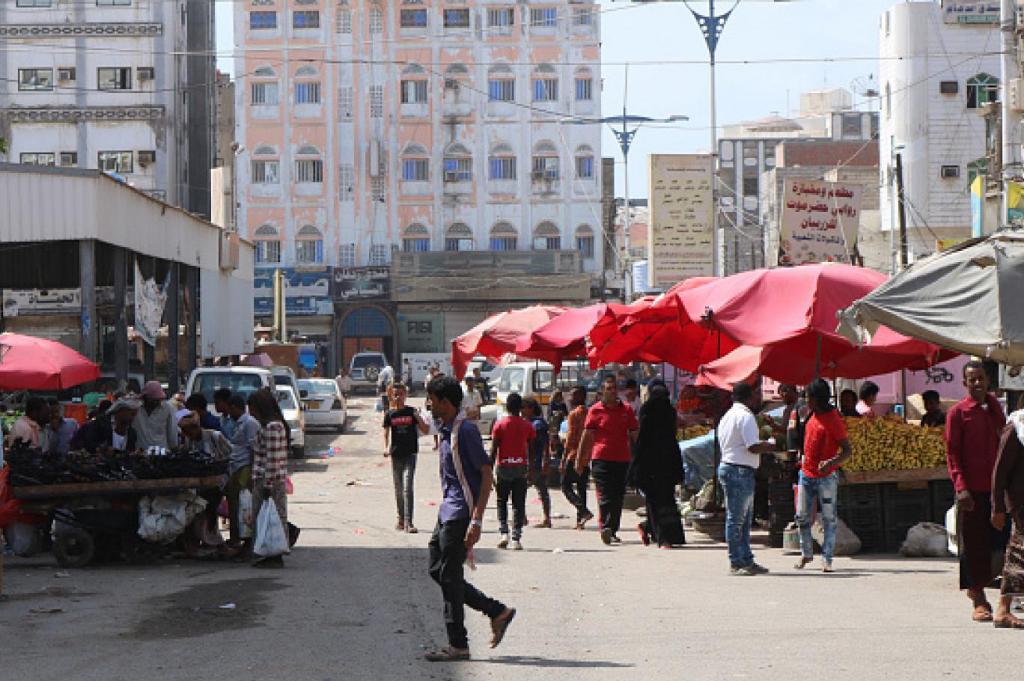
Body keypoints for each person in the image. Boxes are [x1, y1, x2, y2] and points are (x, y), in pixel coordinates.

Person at [424, 375, 515, 662]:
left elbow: (487, 474)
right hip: (447, 511)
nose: (428, 404)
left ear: (446, 403)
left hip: (461, 514)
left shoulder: (465, 431)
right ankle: (495, 610)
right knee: (437, 570)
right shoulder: (446, 426)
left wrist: (476, 521)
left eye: (431, 400)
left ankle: (459, 644)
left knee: (450, 577)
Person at [946, 360, 1008, 622]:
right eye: (973, 379)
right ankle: (978, 597)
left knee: (1002, 544)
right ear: (965, 383)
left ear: (988, 380)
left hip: (997, 491)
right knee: (973, 546)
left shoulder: (995, 409)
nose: (978, 383)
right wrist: (961, 487)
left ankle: (1007, 597)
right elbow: (952, 453)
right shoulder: (958, 413)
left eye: (981, 378)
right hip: (971, 492)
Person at [716, 382, 776, 575]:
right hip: (739, 471)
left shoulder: (728, 416)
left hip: (730, 467)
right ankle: (736, 561)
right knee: (737, 519)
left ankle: (746, 559)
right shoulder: (745, 416)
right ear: (749, 397)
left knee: (741, 519)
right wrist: (769, 445)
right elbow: (752, 446)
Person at [794, 379, 852, 573]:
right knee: (802, 516)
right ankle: (806, 553)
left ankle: (827, 558)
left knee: (828, 518)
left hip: (826, 476)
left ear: (816, 399)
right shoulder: (810, 414)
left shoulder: (833, 419)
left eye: (808, 397)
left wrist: (831, 462)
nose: (805, 400)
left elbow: (846, 450)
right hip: (806, 473)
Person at [577, 374, 639, 545]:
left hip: (622, 459)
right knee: (604, 494)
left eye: (614, 389)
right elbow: (587, 435)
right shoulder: (595, 410)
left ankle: (612, 529)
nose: (612, 392)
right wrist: (580, 459)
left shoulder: (626, 410)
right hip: (601, 458)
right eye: (608, 389)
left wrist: (640, 455)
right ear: (602, 392)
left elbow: (635, 434)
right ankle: (605, 526)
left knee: (618, 496)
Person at [630, 381, 685, 548]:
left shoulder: (660, 410)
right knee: (658, 500)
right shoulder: (658, 410)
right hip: (654, 462)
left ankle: (651, 529)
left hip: (661, 461)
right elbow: (644, 437)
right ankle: (662, 537)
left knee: (663, 500)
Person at [247, 389, 290, 568]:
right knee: (267, 517)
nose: (250, 412)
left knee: (270, 517)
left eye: (252, 408)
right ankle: (268, 552)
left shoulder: (272, 427)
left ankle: (273, 553)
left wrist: (267, 486)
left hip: (269, 480)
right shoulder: (271, 426)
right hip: (268, 479)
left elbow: (272, 459)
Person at [991, 411, 1024, 629]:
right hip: (1022, 502)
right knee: (1018, 553)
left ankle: (1004, 609)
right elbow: (999, 471)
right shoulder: (1017, 426)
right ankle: (1002, 610)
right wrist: (998, 508)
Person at [383, 382, 430, 534]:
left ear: (405, 395)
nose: (398, 397)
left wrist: (418, 416)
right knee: (398, 488)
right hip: (396, 454)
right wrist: (386, 448)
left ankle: (409, 522)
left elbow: (425, 429)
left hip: (410, 453)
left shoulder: (411, 412)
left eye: (401, 394)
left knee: (407, 487)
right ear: (391, 395)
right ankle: (401, 518)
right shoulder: (389, 414)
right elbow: (386, 433)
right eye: (395, 394)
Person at [490, 393, 534, 550]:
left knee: (502, 501)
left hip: (503, 468)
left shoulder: (499, 425)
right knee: (518, 503)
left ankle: (504, 533)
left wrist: (489, 470)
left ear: (507, 407)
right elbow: (532, 449)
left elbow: (494, 449)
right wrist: (532, 470)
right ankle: (516, 537)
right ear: (520, 408)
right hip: (520, 468)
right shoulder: (527, 425)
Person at [226, 394, 260, 549]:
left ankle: (246, 542)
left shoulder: (249, 423)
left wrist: (253, 474)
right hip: (236, 467)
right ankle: (237, 539)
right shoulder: (238, 423)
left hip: (245, 468)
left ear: (234, 408)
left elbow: (254, 448)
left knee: (244, 505)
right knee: (235, 505)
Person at [560, 386, 594, 530]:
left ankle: (583, 511)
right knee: (581, 488)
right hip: (587, 456)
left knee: (565, 486)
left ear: (580, 396)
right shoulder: (590, 413)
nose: (570, 398)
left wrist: (563, 458)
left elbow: (570, 438)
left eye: (573, 395)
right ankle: (581, 520)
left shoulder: (574, 414)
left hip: (574, 454)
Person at [523, 397, 552, 529]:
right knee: (542, 490)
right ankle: (546, 518)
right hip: (532, 461)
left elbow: (543, 445)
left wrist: (545, 459)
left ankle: (523, 517)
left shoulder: (537, 425)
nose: (522, 411)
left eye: (524, 408)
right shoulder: (529, 422)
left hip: (534, 462)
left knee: (522, 488)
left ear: (531, 409)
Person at [71, 398, 140, 452]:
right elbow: (88, 444)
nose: (133, 418)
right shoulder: (99, 424)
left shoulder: (132, 433)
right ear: (121, 411)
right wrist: (102, 449)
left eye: (134, 415)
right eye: (132, 414)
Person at [133, 381, 179, 450]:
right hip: (140, 453)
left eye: (158, 399)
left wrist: (173, 448)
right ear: (146, 398)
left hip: (161, 453)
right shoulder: (135, 408)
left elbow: (172, 431)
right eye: (153, 400)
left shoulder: (167, 408)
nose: (156, 402)